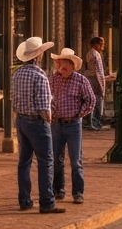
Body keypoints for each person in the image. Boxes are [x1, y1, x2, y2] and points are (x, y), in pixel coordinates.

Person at [12, 36, 64, 214]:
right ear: (38, 55)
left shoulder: (17, 74)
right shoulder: (39, 75)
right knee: (45, 161)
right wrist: (48, 120)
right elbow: (43, 107)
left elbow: (14, 100)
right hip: (36, 121)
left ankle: (24, 199)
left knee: (24, 162)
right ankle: (47, 202)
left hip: (21, 119)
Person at [49, 48, 95, 205]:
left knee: (76, 160)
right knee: (56, 159)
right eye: (60, 64)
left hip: (73, 124)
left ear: (72, 65)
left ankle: (77, 192)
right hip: (57, 123)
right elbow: (49, 99)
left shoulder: (80, 80)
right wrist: (51, 113)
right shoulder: (53, 79)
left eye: (66, 65)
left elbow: (90, 100)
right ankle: (58, 190)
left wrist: (79, 114)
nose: (62, 68)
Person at [86, 36, 107, 131]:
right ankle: (95, 123)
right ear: (96, 45)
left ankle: (93, 122)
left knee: (95, 101)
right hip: (95, 80)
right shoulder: (95, 54)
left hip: (92, 79)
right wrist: (100, 84)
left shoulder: (90, 53)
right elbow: (96, 70)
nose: (102, 46)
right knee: (97, 102)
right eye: (101, 44)